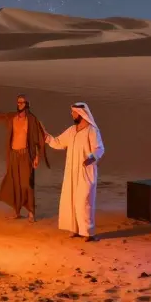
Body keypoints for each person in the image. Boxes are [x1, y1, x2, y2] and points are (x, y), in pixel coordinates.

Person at [0, 93, 49, 222]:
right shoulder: (12, 117)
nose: (19, 105)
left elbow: (39, 140)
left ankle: (31, 212)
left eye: (22, 102)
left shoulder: (32, 120)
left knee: (27, 184)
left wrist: (37, 157)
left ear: (27, 105)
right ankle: (16, 211)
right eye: (18, 102)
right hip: (13, 155)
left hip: (26, 156)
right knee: (14, 183)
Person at [44, 102, 104, 242]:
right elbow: (58, 142)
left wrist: (91, 158)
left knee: (84, 201)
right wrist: (47, 137)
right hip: (71, 172)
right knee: (71, 199)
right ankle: (75, 229)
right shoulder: (72, 130)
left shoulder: (92, 130)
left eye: (73, 112)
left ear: (80, 113)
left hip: (85, 172)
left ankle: (88, 232)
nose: (72, 114)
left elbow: (99, 148)